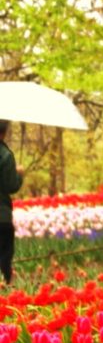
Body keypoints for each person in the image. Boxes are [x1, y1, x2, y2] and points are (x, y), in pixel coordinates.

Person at [0, 121, 23, 286]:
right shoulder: (5, 155)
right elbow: (11, 185)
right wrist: (19, 175)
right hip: (1, 217)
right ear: (4, 132)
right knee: (3, 259)